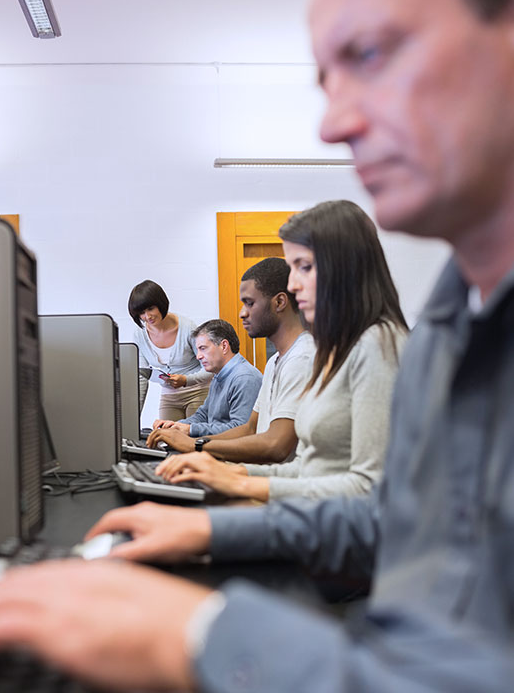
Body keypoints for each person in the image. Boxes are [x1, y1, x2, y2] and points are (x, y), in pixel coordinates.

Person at [0, 0, 514, 691]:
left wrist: (196, 635)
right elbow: (390, 521)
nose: (333, 123)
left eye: (373, 53)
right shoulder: (456, 317)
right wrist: (206, 527)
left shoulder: (390, 343)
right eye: (327, 78)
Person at [157, 200, 407, 501]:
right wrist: (231, 473)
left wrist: (216, 462)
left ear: (345, 267)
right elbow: (309, 468)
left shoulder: (377, 345)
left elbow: (369, 487)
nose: (293, 284)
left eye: (304, 267)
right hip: (310, 515)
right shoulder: (336, 351)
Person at [147, 257, 316, 464]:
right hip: (264, 474)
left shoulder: (301, 359)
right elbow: (250, 428)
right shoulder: (274, 362)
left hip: (281, 484)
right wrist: (191, 439)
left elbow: (276, 447)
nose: (242, 313)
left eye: (250, 303)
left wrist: (195, 445)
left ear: (279, 302)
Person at [152, 319, 263, 437]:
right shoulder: (219, 375)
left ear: (224, 346)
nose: (198, 356)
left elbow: (241, 430)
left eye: (203, 348)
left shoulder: (245, 378)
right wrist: (174, 426)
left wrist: (190, 429)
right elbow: (203, 415)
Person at [128, 279, 212, 420]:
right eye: (142, 312)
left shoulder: (188, 328)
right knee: (167, 437)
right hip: (169, 396)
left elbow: (209, 367)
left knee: (192, 437)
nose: (147, 317)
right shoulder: (139, 335)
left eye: (150, 309)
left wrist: (186, 380)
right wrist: (133, 418)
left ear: (161, 304)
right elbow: (141, 376)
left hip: (196, 391)